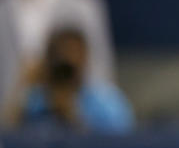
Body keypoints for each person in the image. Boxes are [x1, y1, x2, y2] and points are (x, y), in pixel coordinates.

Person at [3, 27, 133, 133]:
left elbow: (123, 146)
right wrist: (22, 84)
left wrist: (72, 116)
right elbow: (9, 135)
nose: (70, 61)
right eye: (62, 55)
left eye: (75, 53)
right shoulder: (35, 101)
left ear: (85, 57)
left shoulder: (107, 102)